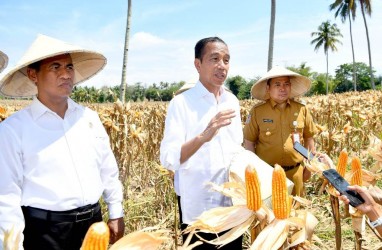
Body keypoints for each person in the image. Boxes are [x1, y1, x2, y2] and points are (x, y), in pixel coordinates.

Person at [0, 34, 124, 249]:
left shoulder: (90, 118)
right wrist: (12, 245)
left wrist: (116, 212)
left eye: (69, 67)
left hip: (93, 225)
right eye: (55, 67)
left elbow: (108, 170)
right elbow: (7, 196)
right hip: (45, 232)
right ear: (33, 75)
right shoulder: (13, 129)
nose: (66, 74)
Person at [160, 37, 243, 249]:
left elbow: (237, 150)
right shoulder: (181, 104)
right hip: (199, 208)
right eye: (214, 58)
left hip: (232, 208)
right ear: (198, 64)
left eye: (226, 60)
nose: (222, 66)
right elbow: (169, 159)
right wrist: (204, 135)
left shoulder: (232, 101)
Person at [243, 66, 317, 197]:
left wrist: (309, 167)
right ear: (268, 88)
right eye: (277, 84)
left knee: (297, 212)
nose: (282, 88)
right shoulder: (257, 111)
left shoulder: (301, 109)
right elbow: (249, 142)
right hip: (267, 174)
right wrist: (253, 171)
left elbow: (309, 139)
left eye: (286, 84)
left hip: (295, 172)